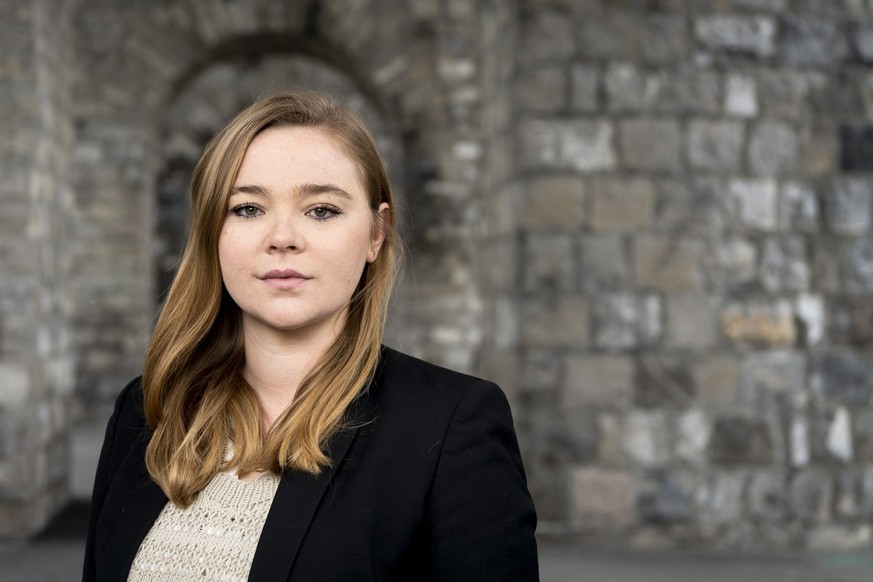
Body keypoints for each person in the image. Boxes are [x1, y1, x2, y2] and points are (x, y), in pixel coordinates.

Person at [82, 89, 538, 581]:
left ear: (375, 234)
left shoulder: (452, 425)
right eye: (247, 209)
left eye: (321, 209)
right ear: (213, 233)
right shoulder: (148, 408)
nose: (282, 237)